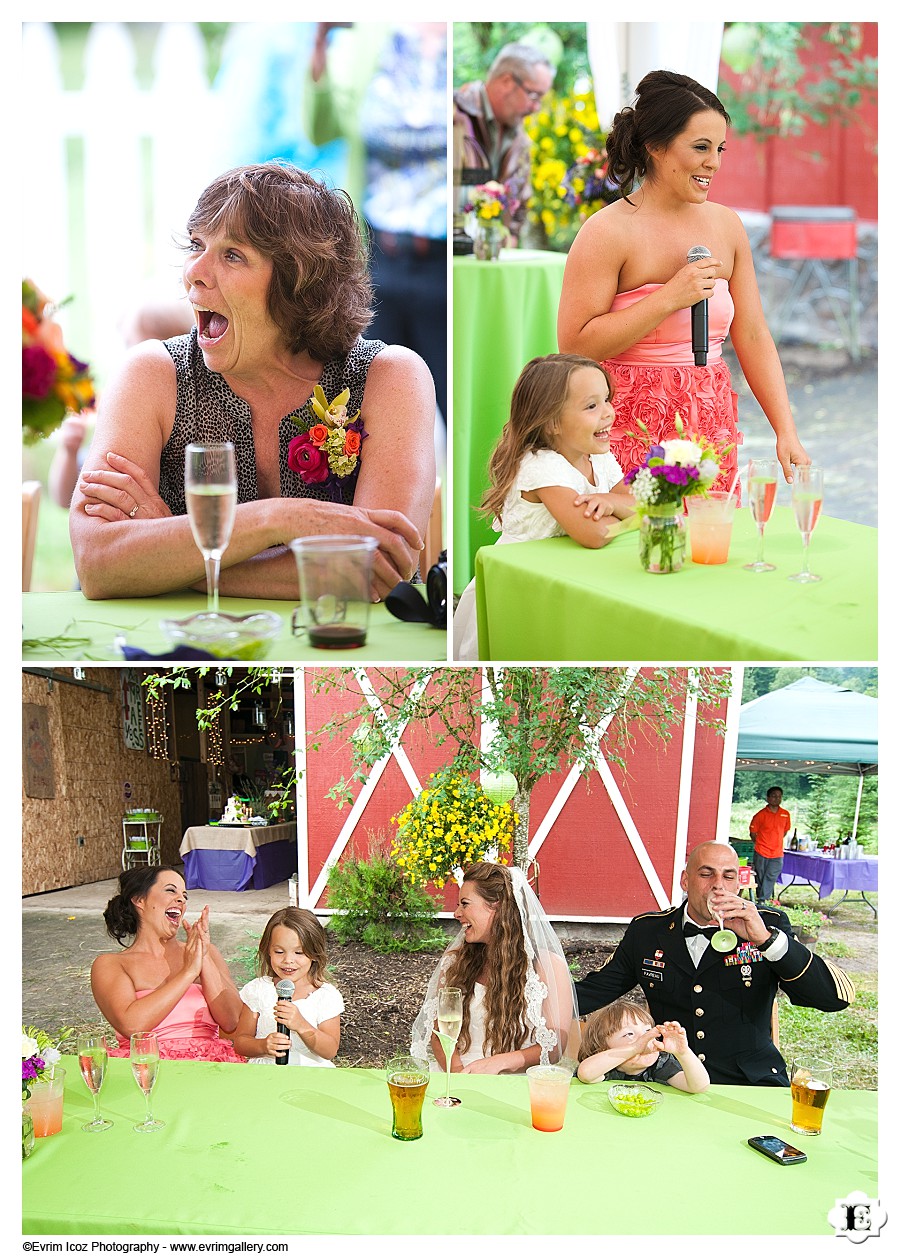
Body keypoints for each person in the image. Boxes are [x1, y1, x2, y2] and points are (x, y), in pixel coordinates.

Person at [70, 161, 435, 603]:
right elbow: (96, 563)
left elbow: (376, 572)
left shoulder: (390, 376)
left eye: (232, 255)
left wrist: (174, 559)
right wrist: (275, 519)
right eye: (196, 245)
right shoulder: (151, 375)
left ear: (300, 283)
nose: (194, 272)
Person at [557, 69, 811, 493]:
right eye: (700, 147)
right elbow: (574, 346)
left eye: (720, 148)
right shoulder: (607, 231)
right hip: (625, 422)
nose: (713, 162)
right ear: (655, 146)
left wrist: (786, 429)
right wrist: (669, 298)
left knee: (708, 551)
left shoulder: (727, 226)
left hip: (709, 417)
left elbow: (751, 333)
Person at [573, 841, 854, 1086]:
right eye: (706, 874)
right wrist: (533, 1000)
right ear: (685, 881)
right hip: (674, 1079)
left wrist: (766, 940)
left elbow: (833, 999)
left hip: (750, 1082)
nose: (718, 885)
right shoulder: (648, 931)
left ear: (738, 884)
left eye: (728, 876)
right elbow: (593, 991)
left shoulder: (767, 925)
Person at [305, 23, 448, 424]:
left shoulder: (465, 41)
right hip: (378, 257)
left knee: (454, 406)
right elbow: (320, 129)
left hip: (445, 262)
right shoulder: (374, 37)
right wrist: (320, 42)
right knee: (369, 412)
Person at [453, 354, 635, 659]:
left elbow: (637, 503)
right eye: (591, 406)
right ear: (552, 423)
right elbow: (595, 534)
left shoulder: (598, 456)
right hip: (520, 585)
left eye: (606, 399)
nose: (608, 413)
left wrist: (611, 501)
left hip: (561, 579)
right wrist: (633, 516)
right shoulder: (542, 466)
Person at [411, 861, 578, 1074]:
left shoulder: (547, 966)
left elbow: (554, 1046)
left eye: (465, 904)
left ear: (496, 905)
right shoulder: (455, 962)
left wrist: (501, 1062)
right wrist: (459, 1077)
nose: (456, 913)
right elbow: (439, 1033)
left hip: (516, 1082)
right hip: (457, 1077)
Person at [91, 866, 244, 1062]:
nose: (181, 899)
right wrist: (188, 972)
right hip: (147, 1071)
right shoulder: (112, 964)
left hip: (209, 1068)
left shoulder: (207, 952)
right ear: (140, 900)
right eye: (171, 890)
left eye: (184, 895)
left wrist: (203, 956)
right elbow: (132, 1026)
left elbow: (232, 1021)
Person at [454, 42, 555, 244]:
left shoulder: (520, 139)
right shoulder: (454, 117)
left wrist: (513, 236)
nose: (536, 107)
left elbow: (521, 202)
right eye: (534, 95)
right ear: (507, 81)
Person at [232, 907, 343, 1067]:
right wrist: (263, 1045)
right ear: (268, 951)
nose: (288, 960)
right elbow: (240, 1042)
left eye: (299, 953)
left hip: (310, 1076)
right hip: (266, 1075)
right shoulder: (259, 990)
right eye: (279, 951)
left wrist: (301, 1025)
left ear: (314, 954)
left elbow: (330, 1050)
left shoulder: (326, 996)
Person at [576, 998, 709, 1092]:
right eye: (629, 1034)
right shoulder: (606, 1069)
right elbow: (585, 1074)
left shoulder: (661, 1065)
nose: (644, 1038)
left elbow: (698, 1086)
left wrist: (683, 1052)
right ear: (603, 1048)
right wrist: (634, 1048)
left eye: (647, 1031)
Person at [749, 786, 791, 904]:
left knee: (771, 876)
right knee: (760, 877)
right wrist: (762, 843)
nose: (776, 798)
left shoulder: (785, 814)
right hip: (761, 851)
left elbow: (785, 831)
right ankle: (760, 899)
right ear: (768, 798)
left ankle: (763, 901)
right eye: (773, 796)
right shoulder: (760, 815)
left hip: (777, 853)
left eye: (779, 796)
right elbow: (753, 833)